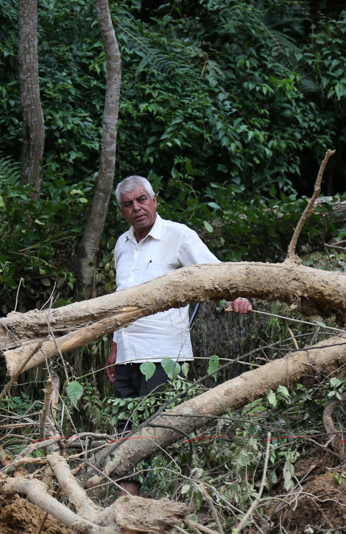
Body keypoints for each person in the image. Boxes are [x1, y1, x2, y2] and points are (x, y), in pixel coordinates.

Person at [105, 175, 251, 496]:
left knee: (156, 432)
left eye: (142, 200)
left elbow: (214, 273)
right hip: (128, 353)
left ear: (155, 200)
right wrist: (115, 347)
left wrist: (235, 296)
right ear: (121, 210)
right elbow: (120, 300)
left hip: (164, 355)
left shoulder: (179, 236)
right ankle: (126, 506)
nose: (137, 208)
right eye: (128, 204)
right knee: (125, 431)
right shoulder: (122, 244)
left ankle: (160, 502)